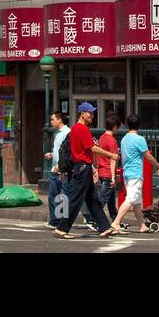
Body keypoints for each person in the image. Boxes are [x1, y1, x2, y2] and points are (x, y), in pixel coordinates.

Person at [54, 103, 117, 240]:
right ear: (82, 113)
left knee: (92, 199)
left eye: (93, 113)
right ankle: (61, 228)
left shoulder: (77, 128)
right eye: (90, 113)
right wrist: (110, 155)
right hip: (82, 169)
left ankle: (104, 228)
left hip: (83, 168)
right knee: (75, 199)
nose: (92, 116)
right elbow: (92, 148)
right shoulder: (81, 128)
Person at [107, 115, 159, 236]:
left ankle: (142, 225)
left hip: (127, 172)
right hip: (135, 173)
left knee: (137, 201)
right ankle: (116, 222)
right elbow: (148, 156)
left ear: (127, 125)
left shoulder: (124, 139)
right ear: (139, 125)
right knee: (131, 199)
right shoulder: (140, 139)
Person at [44, 111, 70, 229]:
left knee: (63, 196)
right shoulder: (58, 133)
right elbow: (59, 150)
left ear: (60, 120)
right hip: (54, 169)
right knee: (53, 196)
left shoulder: (67, 132)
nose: (51, 122)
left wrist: (60, 164)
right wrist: (51, 154)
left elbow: (67, 152)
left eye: (53, 119)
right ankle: (54, 221)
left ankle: (61, 222)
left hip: (62, 170)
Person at [95, 115, 122, 225]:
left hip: (101, 170)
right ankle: (94, 220)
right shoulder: (112, 141)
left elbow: (97, 155)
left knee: (111, 200)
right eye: (118, 126)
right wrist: (112, 177)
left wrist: (97, 169)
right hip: (107, 172)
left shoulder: (101, 138)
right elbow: (113, 159)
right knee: (103, 199)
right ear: (115, 126)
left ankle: (115, 220)